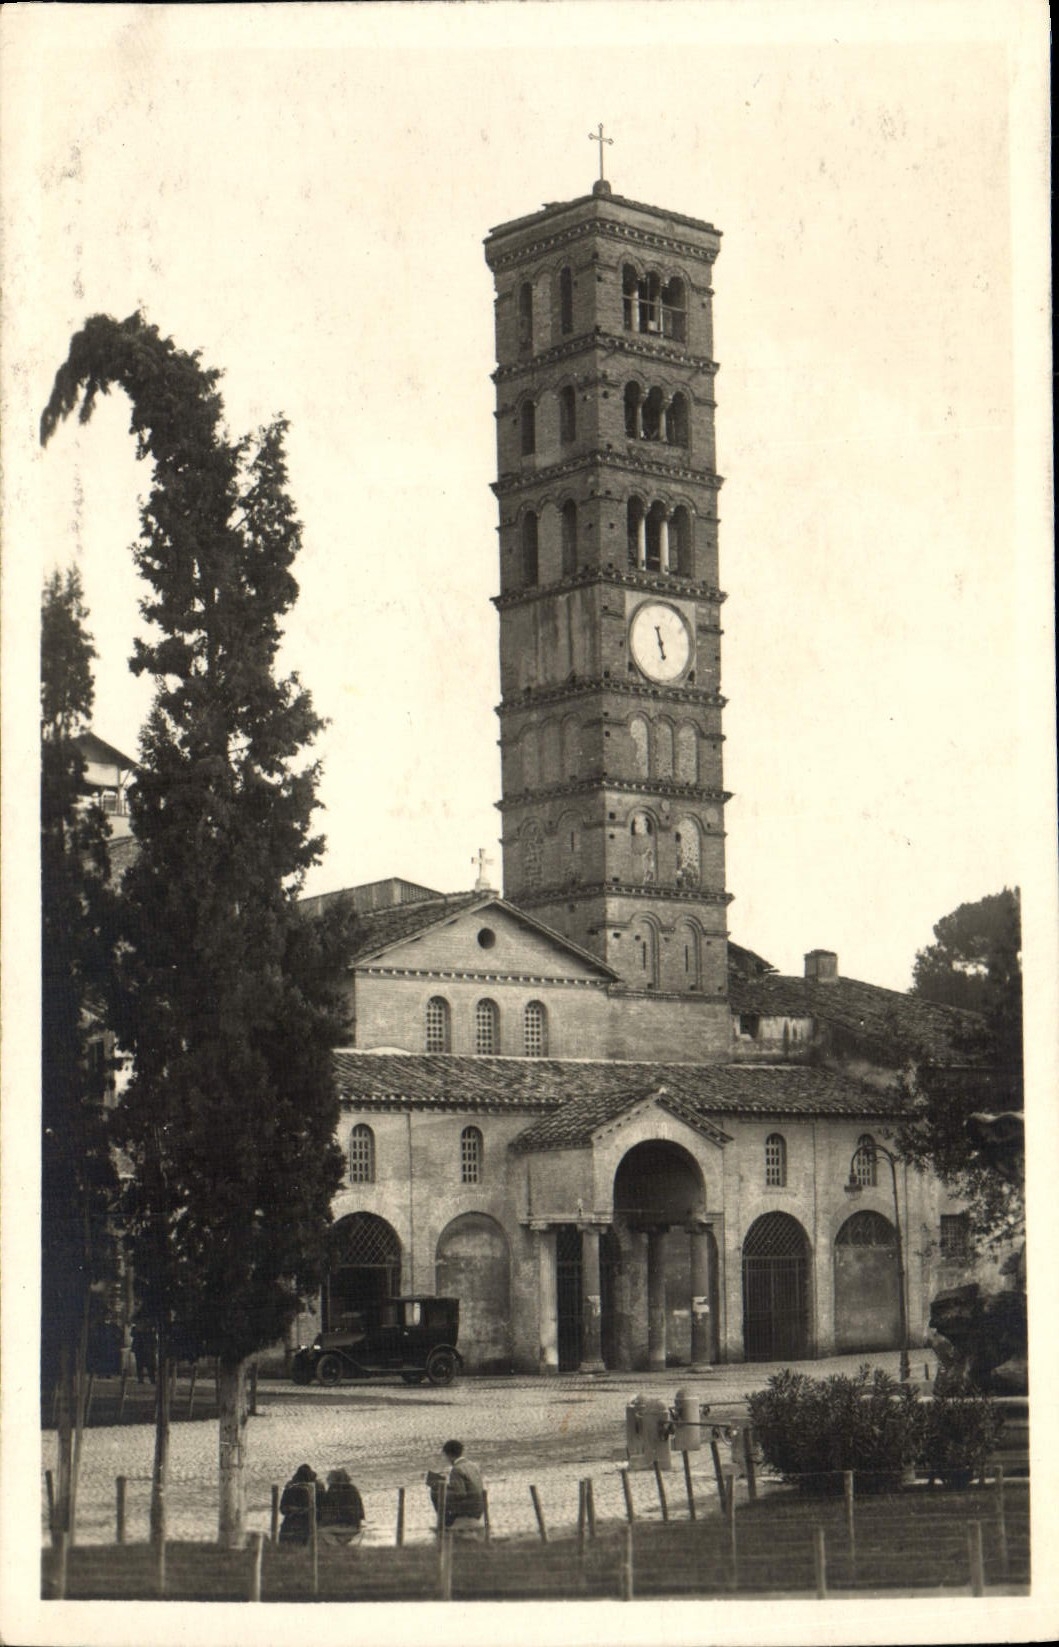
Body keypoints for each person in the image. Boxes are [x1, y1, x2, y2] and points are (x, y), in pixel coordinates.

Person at [426, 1439, 485, 1537]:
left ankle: (445, 1525)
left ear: (448, 1455)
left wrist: (441, 1487)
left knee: (435, 1492)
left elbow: (460, 1493)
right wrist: (447, 1486)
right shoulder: (472, 1465)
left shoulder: (456, 1469)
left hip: (468, 1508)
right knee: (440, 1489)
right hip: (479, 1505)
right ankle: (447, 1524)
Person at [317, 1467, 365, 1547]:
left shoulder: (333, 1490)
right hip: (355, 1525)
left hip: (344, 1526)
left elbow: (328, 1512)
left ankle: (334, 1548)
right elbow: (360, 1513)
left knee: (319, 1532)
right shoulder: (353, 1489)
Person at [278, 1463, 318, 1546]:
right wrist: (292, 1509)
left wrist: (304, 1510)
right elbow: (282, 1508)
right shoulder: (291, 1486)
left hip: (307, 1520)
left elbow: (319, 1508)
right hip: (292, 1519)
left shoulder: (316, 1486)